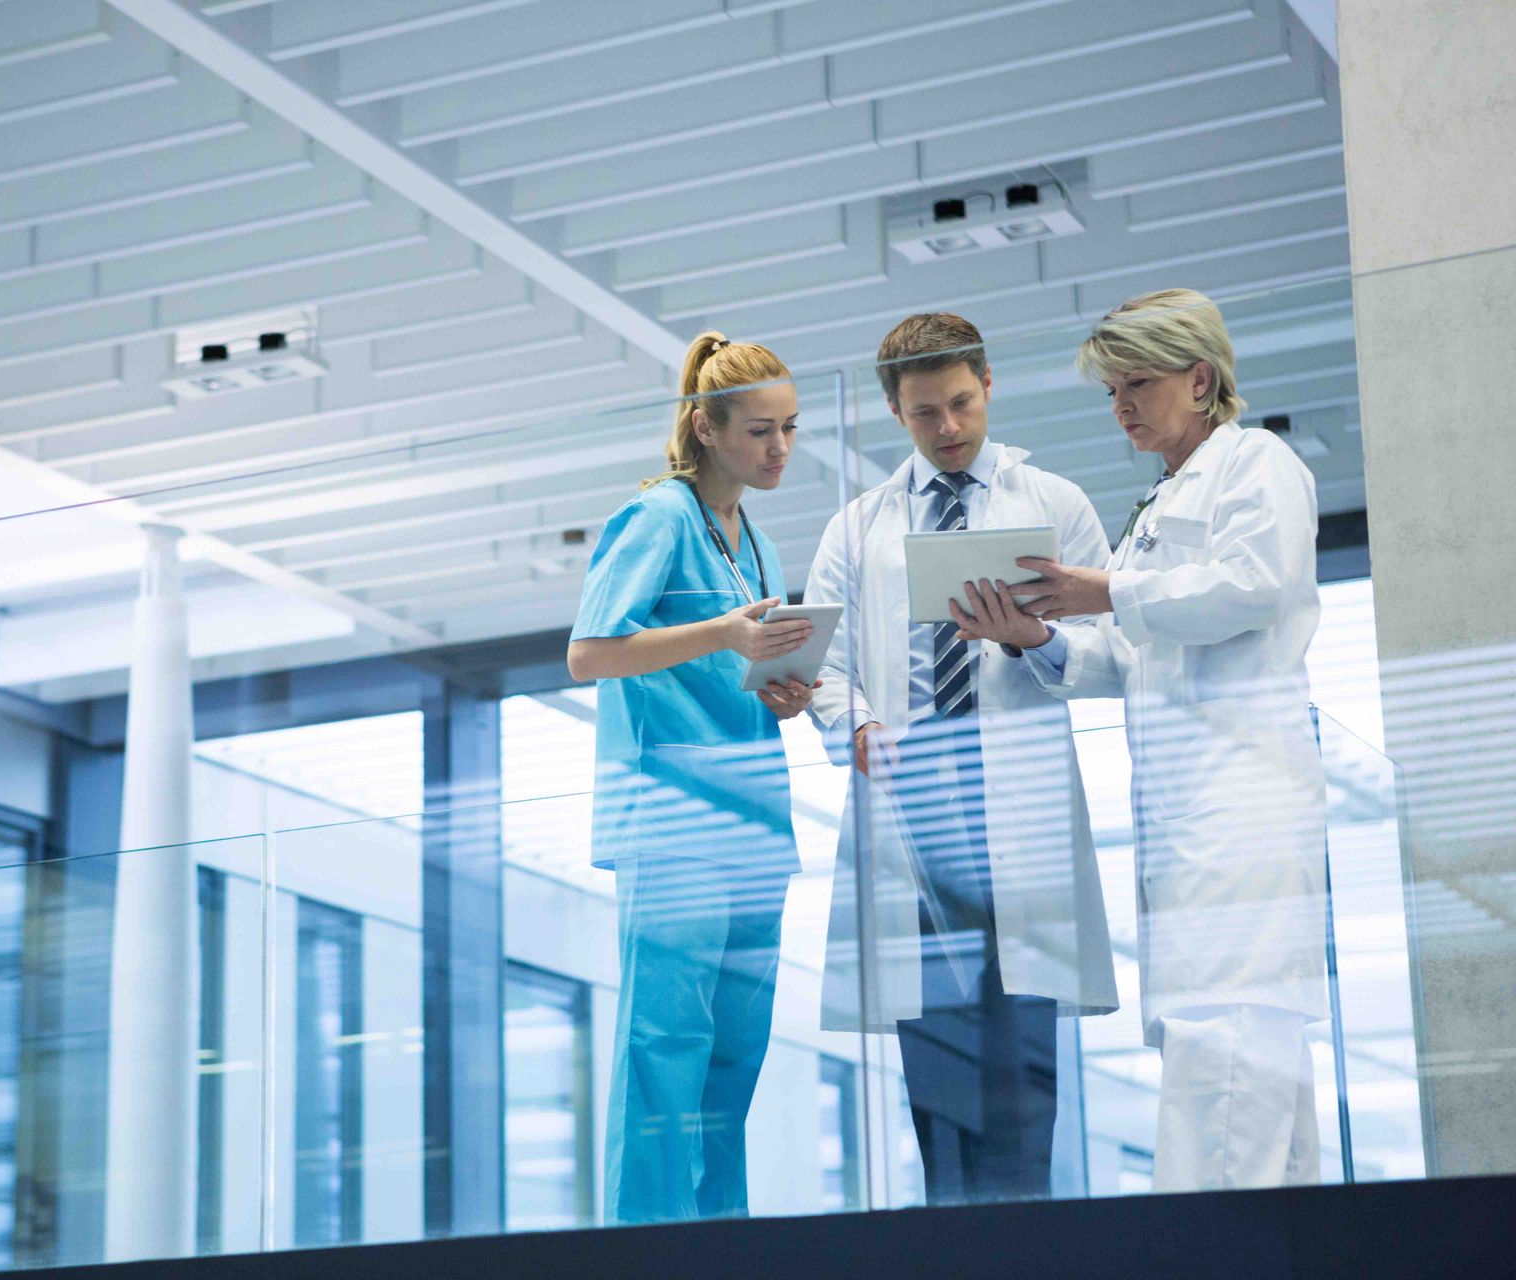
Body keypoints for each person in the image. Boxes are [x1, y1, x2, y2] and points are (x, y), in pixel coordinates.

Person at [955, 288, 1330, 1192]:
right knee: (1231, 1049)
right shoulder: (1160, 502)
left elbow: (1252, 587)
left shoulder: (1257, 464)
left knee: (1226, 1037)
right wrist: (1036, 636)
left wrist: (1108, 591)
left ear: (1201, 380)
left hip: (1243, 796)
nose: (1121, 404)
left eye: (1138, 383)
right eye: (1111, 390)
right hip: (1183, 802)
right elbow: (1128, 658)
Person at [805, 313, 1117, 1206]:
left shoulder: (1052, 504)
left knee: (1022, 1088)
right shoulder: (857, 527)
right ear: (894, 414)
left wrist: (1034, 640)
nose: (948, 428)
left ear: (989, 384)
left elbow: (1116, 652)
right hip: (916, 816)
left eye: (961, 403)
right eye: (924, 413)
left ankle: (1027, 1250)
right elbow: (828, 667)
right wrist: (857, 727)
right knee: (937, 1090)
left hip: (1011, 817)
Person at [567, 332, 815, 1224]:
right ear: (706, 429)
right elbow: (589, 653)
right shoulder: (658, 519)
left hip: (753, 821)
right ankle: (646, 1247)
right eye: (759, 431)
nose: (779, 449)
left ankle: (721, 1242)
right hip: (673, 824)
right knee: (664, 1048)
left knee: (734, 1058)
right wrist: (722, 636)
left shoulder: (758, 544)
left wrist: (782, 691)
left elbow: (738, 670)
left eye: (789, 429)